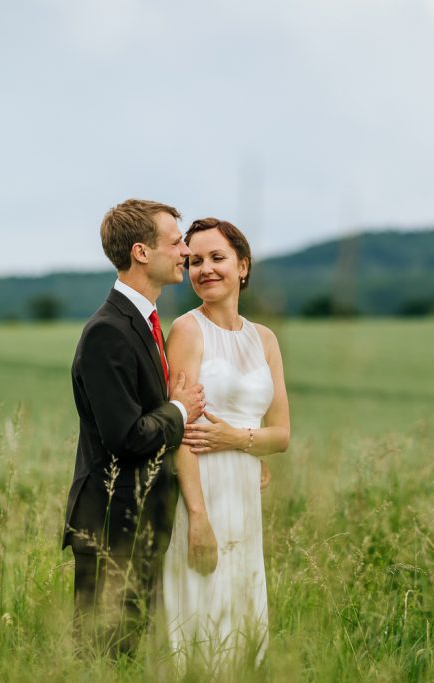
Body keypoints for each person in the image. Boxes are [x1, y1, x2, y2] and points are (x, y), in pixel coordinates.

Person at [64, 199, 206, 657]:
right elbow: (126, 437)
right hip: (111, 523)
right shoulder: (108, 331)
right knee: (104, 654)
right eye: (176, 242)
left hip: (141, 518)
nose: (185, 251)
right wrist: (181, 410)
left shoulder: (143, 322)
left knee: (130, 650)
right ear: (142, 252)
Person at [160, 217, 290, 668]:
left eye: (217, 258)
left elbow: (281, 434)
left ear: (243, 265)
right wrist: (197, 517)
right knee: (202, 609)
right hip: (203, 487)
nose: (205, 269)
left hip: (245, 488)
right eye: (195, 260)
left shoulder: (265, 339)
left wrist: (238, 439)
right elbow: (179, 432)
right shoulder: (187, 331)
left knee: (242, 607)